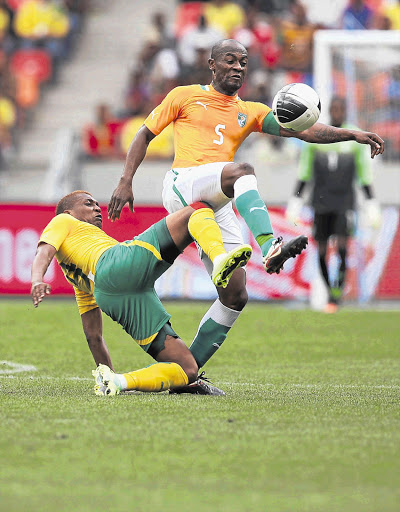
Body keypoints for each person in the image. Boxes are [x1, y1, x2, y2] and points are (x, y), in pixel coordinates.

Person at [107, 38, 384, 376]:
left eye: (243, 62)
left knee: (236, 295)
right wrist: (125, 180)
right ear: (212, 64)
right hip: (184, 184)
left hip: (218, 195)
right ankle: (270, 246)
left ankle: (186, 373)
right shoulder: (184, 95)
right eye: (229, 60)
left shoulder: (250, 111)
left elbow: (306, 131)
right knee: (242, 171)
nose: (238, 67)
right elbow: (144, 134)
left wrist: (351, 135)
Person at [31, 190, 253, 396]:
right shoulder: (63, 220)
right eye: (88, 204)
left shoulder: (77, 275)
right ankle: (219, 257)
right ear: (69, 212)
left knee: (187, 370)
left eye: (98, 205)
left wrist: (105, 371)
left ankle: (119, 382)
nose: (97, 208)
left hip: (110, 295)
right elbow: (44, 250)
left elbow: (94, 337)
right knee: (198, 209)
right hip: (116, 263)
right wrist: (37, 279)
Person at [286, 97, 382, 313]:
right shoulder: (317, 135)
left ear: (345, 110)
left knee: (341, 248)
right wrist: (295, 203)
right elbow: (305, 174)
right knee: (320, 251)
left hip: (344, 202)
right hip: (320, 202)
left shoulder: (355, 136)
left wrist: (371, 204)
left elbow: (363, 176)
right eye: (334, 109)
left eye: (341, 109)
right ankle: (329, 290)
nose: (337, 112)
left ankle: (336, 295)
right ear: (330, 111)